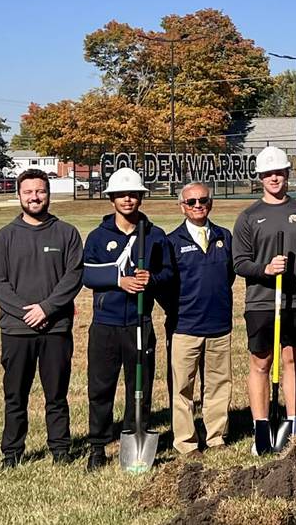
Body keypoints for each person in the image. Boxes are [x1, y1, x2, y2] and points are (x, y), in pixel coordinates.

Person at [232, 147, 296, 448]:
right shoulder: (249, 217)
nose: (275, 178)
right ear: (260, 177)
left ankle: (294, 423)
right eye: (269, 173)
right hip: (262, 301)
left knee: (294, 361)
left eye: (279, 172)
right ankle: (261, 427)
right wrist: (266, 269)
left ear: (287, 174)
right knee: (261, 363)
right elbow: (239, 263)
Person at [0, 169, 83, 469]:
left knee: (56, 395)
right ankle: (12, 453)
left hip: (55, 328)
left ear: (49, 194)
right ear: (19, 195)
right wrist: (25, 312)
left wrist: (47, 308)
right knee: (15, 396)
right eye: (28, 192)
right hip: (16, 331)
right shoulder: (5, 237)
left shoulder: (66, 233)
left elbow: (74, 276)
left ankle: (60, 449)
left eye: (40, 191)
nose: (34, 197)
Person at [81, 167, 174, 471]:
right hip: (106, 324)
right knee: (100, 386)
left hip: (139, 323)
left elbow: (169, 273)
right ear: (111, 198)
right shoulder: (98, 236)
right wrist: (118, 280)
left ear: (141, 198)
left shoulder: (155, 236)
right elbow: (87, 273)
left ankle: (135, 435)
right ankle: (97, 445)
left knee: (140, 385)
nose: (128, 199)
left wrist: (153, 279)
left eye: (133, 194)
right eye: (121, 194)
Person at [164, 182, 234, 457]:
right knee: (183, 387)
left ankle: (216, 436)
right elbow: (167, 285)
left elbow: (228, 276)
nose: (197, 205)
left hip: (219, 324)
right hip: (185, 326)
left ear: (210, 203)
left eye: (202, 200)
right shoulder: (172, 241)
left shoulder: (223, 236)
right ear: (182, 206)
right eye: (191, 202)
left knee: (218, 384)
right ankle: (186, 441)